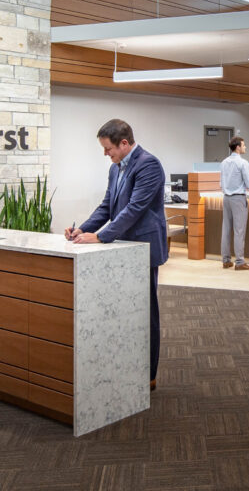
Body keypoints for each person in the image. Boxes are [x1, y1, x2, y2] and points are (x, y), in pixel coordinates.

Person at [65, 119, 167, 388]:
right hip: (121, 248)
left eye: (108, 149)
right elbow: (108, 206)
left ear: (124, 143)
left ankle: (149, 375)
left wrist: (100, 236)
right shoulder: (116, 169)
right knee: (123, 311)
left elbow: (135, 208)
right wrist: (82, 230)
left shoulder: (149, 164)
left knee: (145, 313)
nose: (105, 154)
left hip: (142, 248)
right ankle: (124, 364)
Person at [220, 135, 249, 271]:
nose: (245, 147)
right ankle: (239, 262)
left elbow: (221, 183)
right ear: (238, 147)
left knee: (226, 230)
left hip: (226, 198)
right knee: (239, 231)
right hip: (238, 199)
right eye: (244, 145)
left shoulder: (224, 162)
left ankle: (226, 261)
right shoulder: (243, 163)